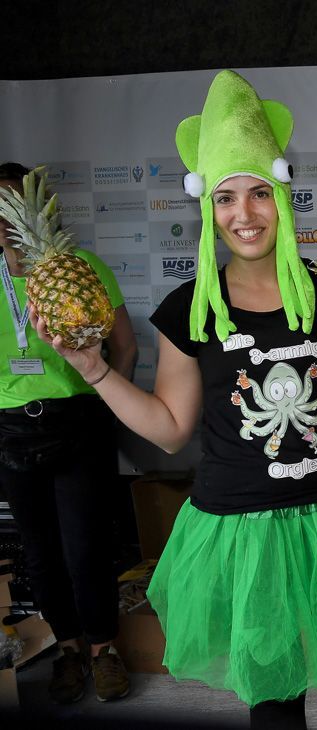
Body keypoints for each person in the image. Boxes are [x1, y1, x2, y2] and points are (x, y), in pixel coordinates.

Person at [33, 71, 317, 729]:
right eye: (226, 197)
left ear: (283, 196)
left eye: (259, 193)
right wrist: (95, 370)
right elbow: (170, 427)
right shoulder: (190, 308)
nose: (244, 214)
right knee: (275, 704)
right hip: (242, 531)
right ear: (207, 208)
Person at [0, 161, 137, 704]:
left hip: (79, 420)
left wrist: (111, 404)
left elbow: (124, 345)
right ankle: (68, 648)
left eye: (14, 203)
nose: (6, 217)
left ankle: (105, 649)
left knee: (86, 545)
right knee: (39, 552)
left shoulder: (80, 268)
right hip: (11, 429)